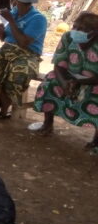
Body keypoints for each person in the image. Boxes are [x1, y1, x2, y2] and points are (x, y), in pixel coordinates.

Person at [31, 12, 98, 150]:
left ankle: (96, 141)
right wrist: (64, 84)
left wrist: (81, 82)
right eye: (75, 27)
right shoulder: (68, 37)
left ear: (94, 33)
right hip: (69, 77)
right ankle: (47, 124)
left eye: (82, 29)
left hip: (94, 82)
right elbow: (59, 64)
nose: (76, 31)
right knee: (50, 82)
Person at [0, 0, 47, 118]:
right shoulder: (13, 13)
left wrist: (11, 21)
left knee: (18, 73)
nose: (11, 2)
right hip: (6, 50)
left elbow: (24, 43)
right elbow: (6, 39)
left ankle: (4, 109)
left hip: (28, 54)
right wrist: (1, 33)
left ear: (17, 0)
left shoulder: (38, 19)